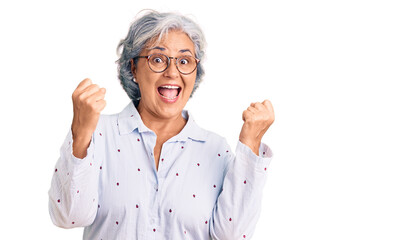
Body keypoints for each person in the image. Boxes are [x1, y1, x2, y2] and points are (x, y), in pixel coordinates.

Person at [48, 10, 275, 240]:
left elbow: (232, 235)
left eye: (184, 61)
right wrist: (81, 132)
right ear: (134, 68)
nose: (172, 72)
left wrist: (251, 142)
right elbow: (68, 216)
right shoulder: (98, 134)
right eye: (158, 59)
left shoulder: (216, 150)